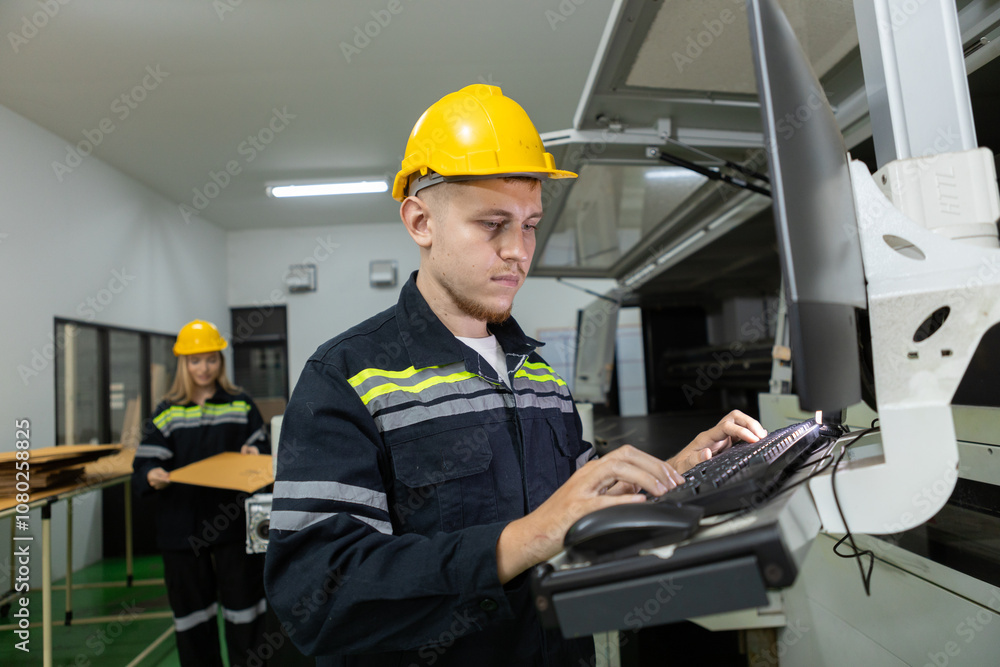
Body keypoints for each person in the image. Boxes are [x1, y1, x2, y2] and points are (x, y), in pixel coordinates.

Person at [264, 84, 767, 666]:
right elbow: (317, 596)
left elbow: (573, 508)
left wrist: (668, 477)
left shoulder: (537, 371)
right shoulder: (347, 376)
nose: (518, 252)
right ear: (420, 220)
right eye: (492, 224)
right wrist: (526, 537)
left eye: (529, 225)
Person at [132, 319, 271, 667]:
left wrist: (254, 455)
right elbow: (145, 462)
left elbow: (263, 449)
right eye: (195, 360)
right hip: (182, 528)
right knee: (192, 616)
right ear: (183, 364)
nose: (203, 368)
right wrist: (153, 475)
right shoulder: (167, 411)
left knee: (246, 611)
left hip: (234, 526)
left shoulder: (240, 405)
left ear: (220, 361)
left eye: (210, 359)